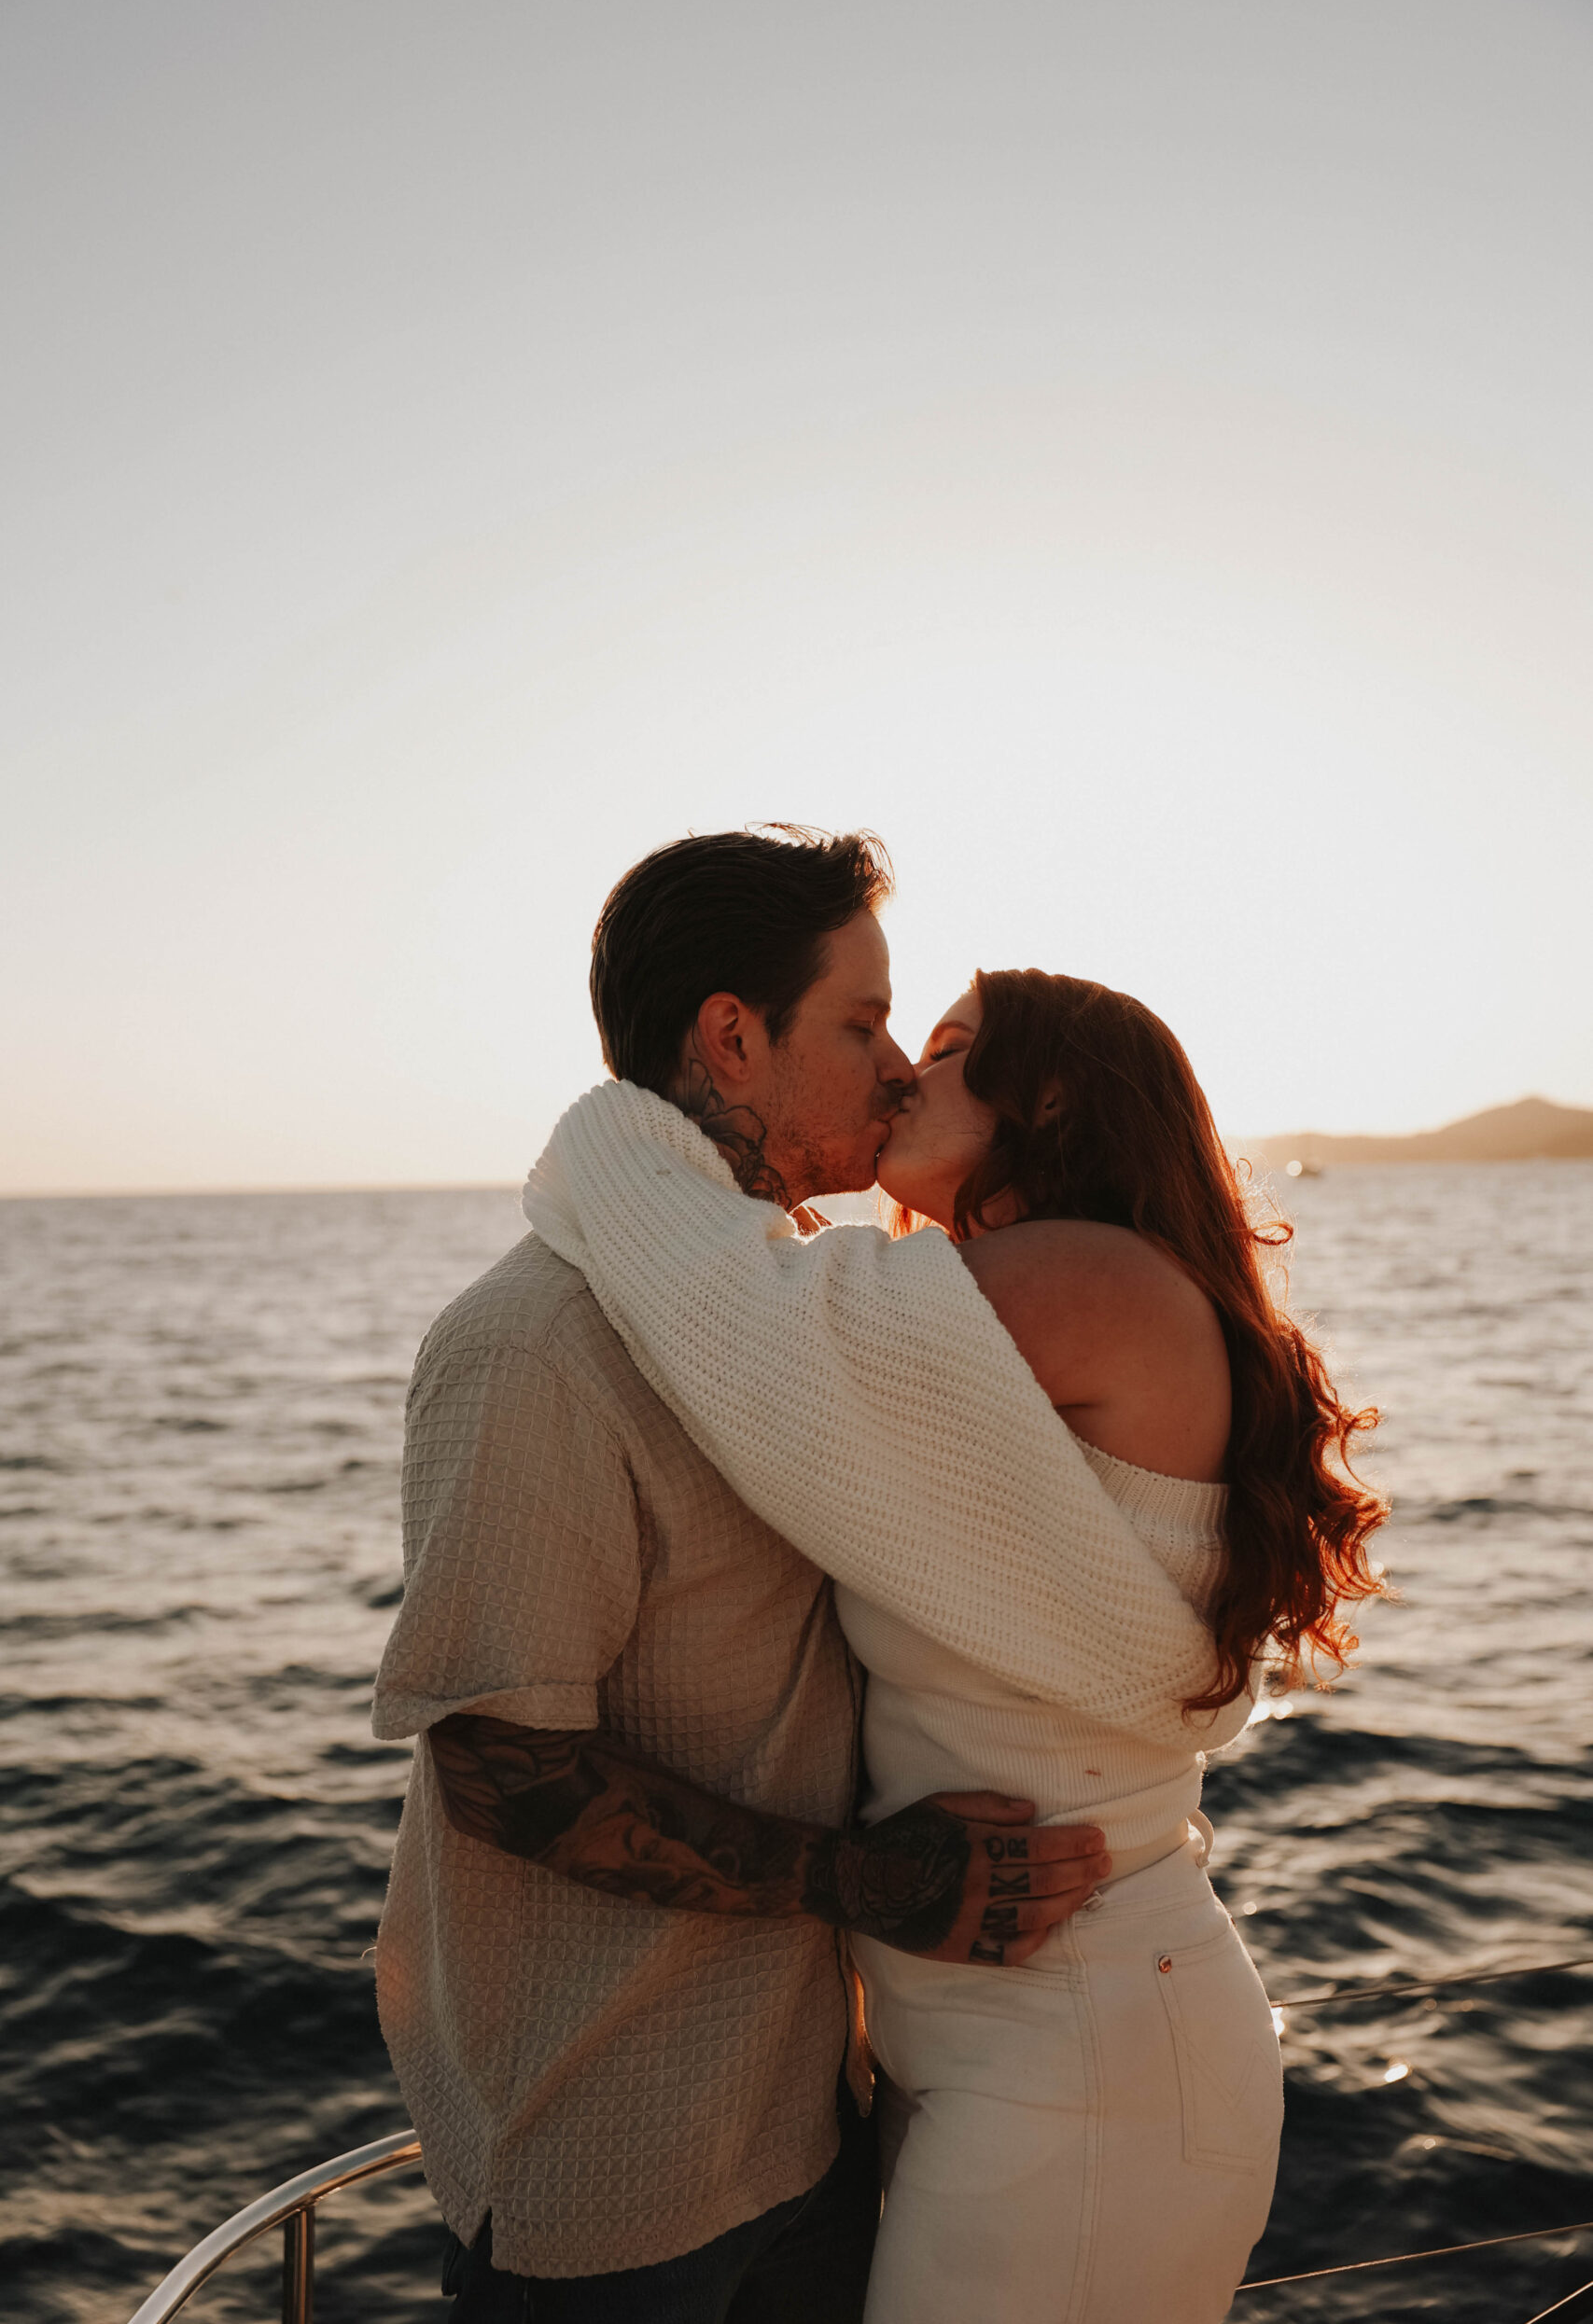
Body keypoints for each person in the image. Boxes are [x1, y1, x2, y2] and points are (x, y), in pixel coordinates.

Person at [523, 967, 1388, 2322]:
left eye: (941, 1050)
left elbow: (743, 1333)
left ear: (1043, 1098)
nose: (897, 1079)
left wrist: (606, 1133)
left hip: (1082, 2051)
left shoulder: (1083, 1273)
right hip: (1020, 2034)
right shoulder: (1032, 1295)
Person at [370, 830, 1117, 2324]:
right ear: (731, 1037)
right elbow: (504, 1770)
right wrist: (878, 1882)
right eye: (859, 1023)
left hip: (803, 2121)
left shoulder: (786, 1327)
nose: (900, 1068)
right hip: (613, 2175)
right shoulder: (537, 1346)